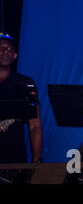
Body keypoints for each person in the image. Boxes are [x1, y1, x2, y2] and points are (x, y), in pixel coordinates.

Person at [0, 32, 42, 163]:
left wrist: (36, 159)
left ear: (14, 55)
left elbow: (34, 124)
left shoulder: (25, 83)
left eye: (9, 49)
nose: (4, 51)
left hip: (15, 158)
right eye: (0, 48)